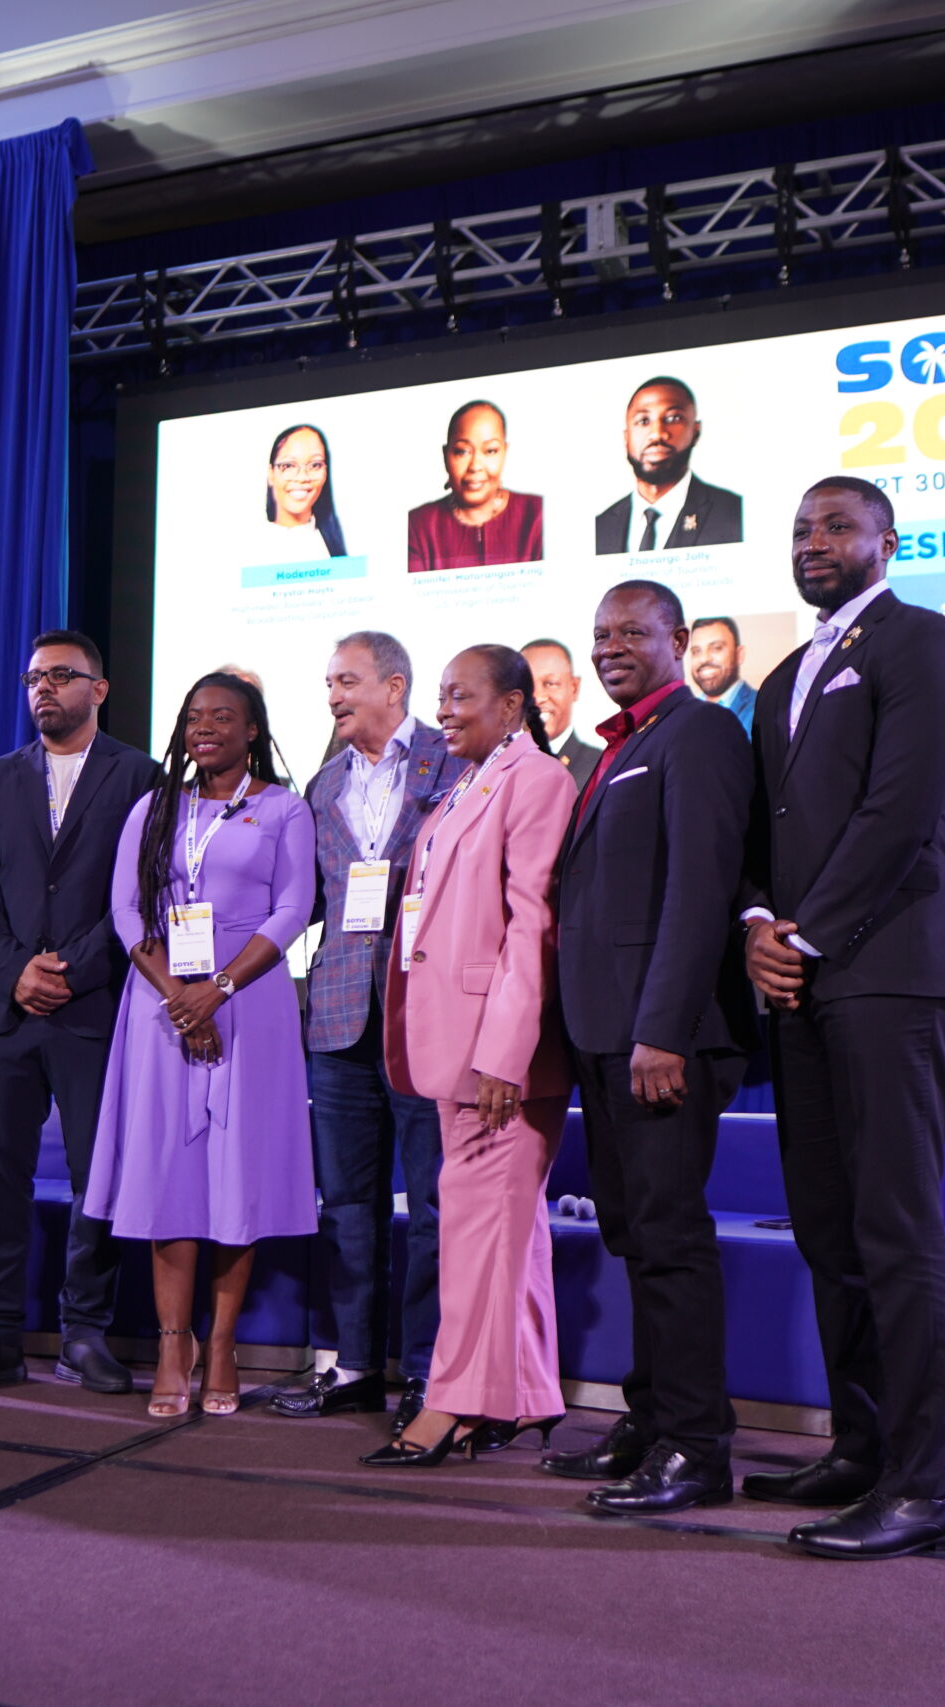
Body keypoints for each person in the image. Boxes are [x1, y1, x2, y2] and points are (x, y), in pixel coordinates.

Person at [741, 476, 945, 1560]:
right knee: (827, 1228)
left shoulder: (923, 642)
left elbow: (900, 812)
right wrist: (758, 921)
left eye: (837, 525)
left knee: (894, 1229)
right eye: (802, 528)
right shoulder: (782, 678)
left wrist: (803, 935)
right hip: (803, 980)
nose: (815, 542)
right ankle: (863, 1448)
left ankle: (927, 1484)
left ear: (889, 541)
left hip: (894, 968)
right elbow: (763, 830)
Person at [539, 579, 754, 1514]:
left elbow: (702, 889)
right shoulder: (622, 745)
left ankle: (696, 1447)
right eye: (601, 633)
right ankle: (654, 1417)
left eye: (632, 630)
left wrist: (662, 1028)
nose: (610, 646)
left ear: (679, 638)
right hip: (605, 1034)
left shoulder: (699, 732)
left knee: (669, 1237)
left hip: (662, 1038)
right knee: (635, 1232)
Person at [0, 632, 163, 1395]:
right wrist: (12, 968)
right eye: (35, 677)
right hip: (6, 1012)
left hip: (93, 1008)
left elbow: (144, 888)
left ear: (100, 688)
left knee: (98, 1177)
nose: (44, 688)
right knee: (0, 1178)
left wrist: (73, 967)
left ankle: (83, 1333)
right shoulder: (0, 776)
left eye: (62, 675)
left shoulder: (140, 775)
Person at [362, 645, 573, 1467]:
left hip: (498, 1057)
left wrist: (505, 1054)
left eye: (461, 695)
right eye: (442, 695)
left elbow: (534, 924)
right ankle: (524, 1395)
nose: (443, 710)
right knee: (505, 1232)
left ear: (512, 705)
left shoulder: (537, 780)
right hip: (453, 1043)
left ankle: (452, 1402)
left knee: (479, 1233)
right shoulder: (467, 783)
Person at [86, 674, 316, 1417]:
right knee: (170, 1175)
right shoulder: (155, 808)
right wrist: (178, 996)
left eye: (223, 716)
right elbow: (126, 909)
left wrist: (216, 989)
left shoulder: (283, 809)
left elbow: (294, 908)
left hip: (250, 1001)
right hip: (161, 1005)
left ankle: (222, 1344)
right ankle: (171, 1344)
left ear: (252, 731)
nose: (205, 727)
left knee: (235, 1174)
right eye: (194, 717)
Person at [271, 632, 462, 1426]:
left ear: (395, 686)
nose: (333, 696)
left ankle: (428, 1373)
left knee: (434, 1204)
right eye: (328, 683)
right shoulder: (321, 786)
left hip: (428, 1014)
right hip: (341, 1017)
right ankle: (352, 1365)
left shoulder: (455, 762)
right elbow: (307, 898)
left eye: (346, 681)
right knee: (347, 1203)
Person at [592, 376, 743, 553]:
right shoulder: (599, 528)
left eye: (673, 418)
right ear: (626, 437)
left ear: (695, 431)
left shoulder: (737, 514)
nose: (657, 434)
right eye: (643, 421)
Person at [407, 400, 544, 571]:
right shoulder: (416, 526)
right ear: (446, 455)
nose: (475, 466)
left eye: (490, 451)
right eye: (462, 451)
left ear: (504, 452)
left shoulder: (540, 516)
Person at [248, 424, 348, 564]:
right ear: (271, 473)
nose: (302, 477)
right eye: (288, 465)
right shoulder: (248, 546)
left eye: (315, 465)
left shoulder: (342, 544)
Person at [522, 638, 602, 791]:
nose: (537, 697)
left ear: (574, 688)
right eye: (527, 685)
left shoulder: (600, 767)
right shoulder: (496, 765)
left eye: (550, 684)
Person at [686, 616, 756, 734]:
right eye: (696, 651)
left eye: (716, 648)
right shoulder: (684, 713)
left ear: (739, 654)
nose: (704, 659)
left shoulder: (761, 708)